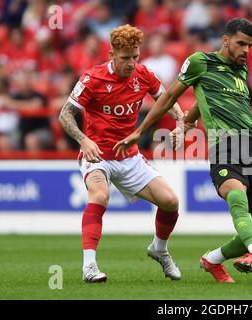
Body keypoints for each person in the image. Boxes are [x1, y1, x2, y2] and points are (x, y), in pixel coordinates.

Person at [113, 18, 252, 283]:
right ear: (225, 41)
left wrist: (188, 121)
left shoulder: (242, 69)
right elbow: (168, 97)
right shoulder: (200, 61)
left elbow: (210, 98)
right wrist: (140, 131)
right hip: (225, 143)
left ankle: (212, 260)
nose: (246, 50)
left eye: (250, 46)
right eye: (241, 44)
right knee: (236, 194)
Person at [58, 24, 184, 283]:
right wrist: (83, 140)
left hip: (129, 157)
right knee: (100, 195)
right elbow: (65, 114)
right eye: (125, 58)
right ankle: (89, 267)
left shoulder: (144, 75)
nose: (131, 63)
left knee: (171, 202)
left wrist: (181, 124)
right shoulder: (92, 79)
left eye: (135, 57)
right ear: (111, 54)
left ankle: (159, 250)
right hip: (97, 156)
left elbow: (168, 100)